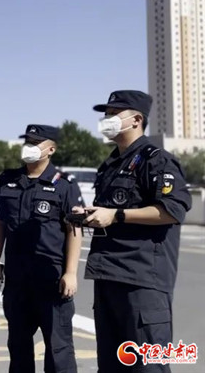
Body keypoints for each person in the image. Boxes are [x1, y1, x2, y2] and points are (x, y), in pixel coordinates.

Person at [83, 90, 191, 373]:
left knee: (148, 367)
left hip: (142, 282)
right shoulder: (110, 166)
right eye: (106, 114)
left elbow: (172, 210)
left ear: (136, 120)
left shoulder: (156, 160)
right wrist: (92, 215)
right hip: (109, 276)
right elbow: (110, 214)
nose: (107, 119)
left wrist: (117, 215)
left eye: (113, 113)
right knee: (112, 366)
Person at [0, 124, 84, 373]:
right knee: (18, 346)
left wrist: (71, 272)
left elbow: (74, 229)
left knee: (59, 350)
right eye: (27, 142)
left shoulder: (65, 184)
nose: (28, 147)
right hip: (17, 280)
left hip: (51, 281)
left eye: (35, 143)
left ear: (51, 149)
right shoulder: (8, 180)